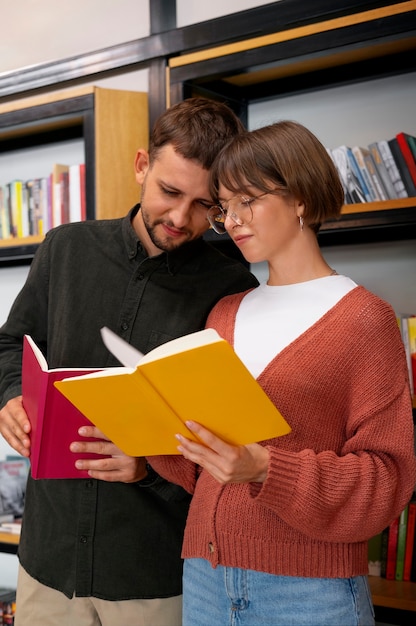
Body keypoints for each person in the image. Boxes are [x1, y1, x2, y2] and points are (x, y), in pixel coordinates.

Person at [0, 97, 259, 626]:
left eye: (205, 205)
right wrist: (8, 399)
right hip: (48, 560)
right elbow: (9, 345)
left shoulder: (232, 288)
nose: (181, 218)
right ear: (142, 165)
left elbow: (235, 444)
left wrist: (148, 471)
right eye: (169, 192)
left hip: (153, 572)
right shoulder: (65, 249)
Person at [147, 120, 416, 626]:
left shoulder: (364, 319)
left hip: (308, 591)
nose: (234, 219)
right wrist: (142, 429)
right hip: (205, 576)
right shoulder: (224, 312)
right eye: (226, 206)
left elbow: (387, 479)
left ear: (301, 199)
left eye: (249, 199)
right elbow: (202, 468)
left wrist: (265, 468)